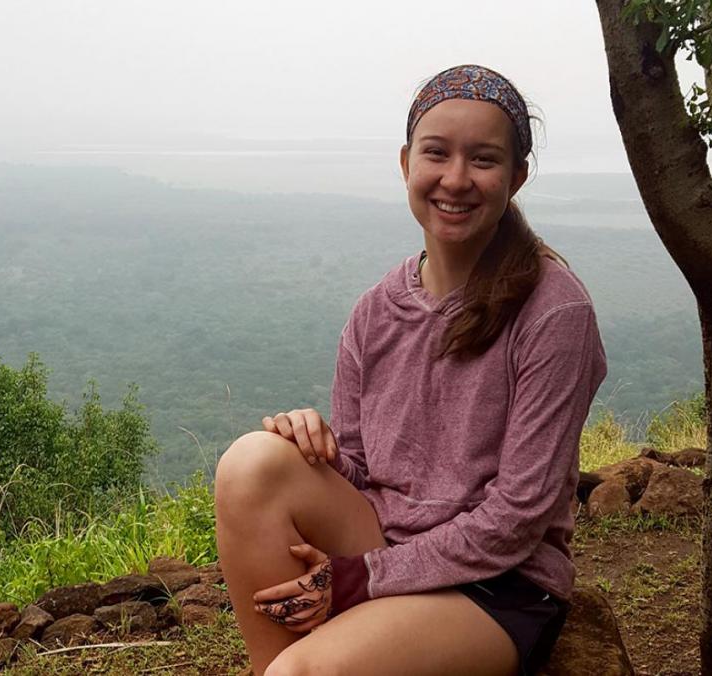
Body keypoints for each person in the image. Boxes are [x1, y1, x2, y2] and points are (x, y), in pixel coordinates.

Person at [214, 64, 608, 676]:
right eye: (436, 153)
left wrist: (360, 579)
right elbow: (363, 471)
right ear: (406, 163)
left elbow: (518, 516)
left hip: (500, 583)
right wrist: (312, 445)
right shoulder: (376, 311)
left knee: (304, 674)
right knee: (253, 462)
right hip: (386, 541)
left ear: (516, 177)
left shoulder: (554, 311)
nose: (456, 178)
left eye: (483, 159)